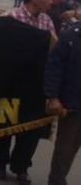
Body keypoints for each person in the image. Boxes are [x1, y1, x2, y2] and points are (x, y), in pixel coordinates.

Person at [0, 0, 56, 185]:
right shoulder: (10, 18)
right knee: (4, 124)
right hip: (10, 82)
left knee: (30, 129)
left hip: (36, 85)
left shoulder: (47, 22)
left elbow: (55, 50)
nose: (51, 2)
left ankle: (21, 166)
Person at [45, 22, 81, 185]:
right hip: (73, 106)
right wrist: (53, 97)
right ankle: (56, 180)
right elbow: (55, 67)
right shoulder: (70, 36)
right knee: (66, 148)